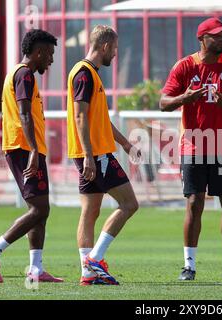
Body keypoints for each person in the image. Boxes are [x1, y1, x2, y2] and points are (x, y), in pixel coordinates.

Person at [159, 17, 222, 281]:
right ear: (202, 39)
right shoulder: (185, 66)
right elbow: (163, 102)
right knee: (194, 202)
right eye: (216, 35)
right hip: (193, 144)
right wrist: (185, 98)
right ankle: (189, 266)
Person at [0, 29, 63, 283]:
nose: (50, 60)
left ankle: (35, 269)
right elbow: (24, 114)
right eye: (49, 54)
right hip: (24, 148)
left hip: (27, 148)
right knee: (39, 209)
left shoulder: (21, 74)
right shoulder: (24, 74)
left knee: (40, 209)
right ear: (37, 52)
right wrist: (34, 150)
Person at [67, 25, 140, 286]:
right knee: (130, 204)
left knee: (90, 211)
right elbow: (79, 116)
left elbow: (101, 121)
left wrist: (127, 145)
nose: (116, 54)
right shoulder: (85, 74)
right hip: (95, 155)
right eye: (116, 49)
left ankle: (88, 273)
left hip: (91, 153)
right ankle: (94, 260)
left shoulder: (90, 74)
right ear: (106, 47)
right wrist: (88, 156)